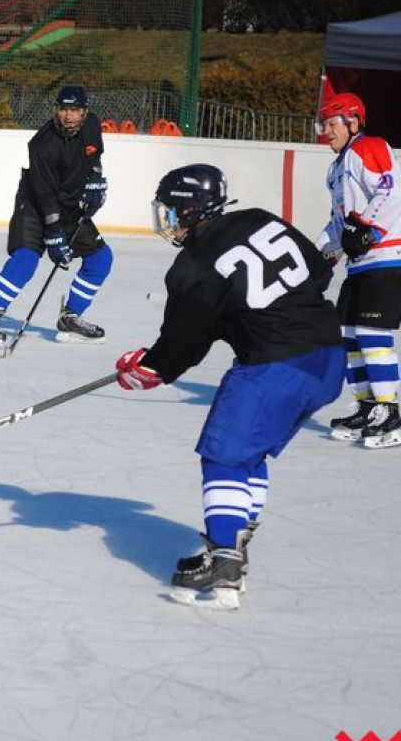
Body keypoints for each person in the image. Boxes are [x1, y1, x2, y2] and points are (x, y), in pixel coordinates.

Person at [115, 164, 344, 610]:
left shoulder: (194, 265)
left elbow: (181, 345)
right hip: (328, 359)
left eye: (172, 210)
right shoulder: (260, 218)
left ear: (189, 208)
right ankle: (233, 541)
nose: (169, 221)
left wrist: (149, 367)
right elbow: (318, 273)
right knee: (248, 452)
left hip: (276, 365)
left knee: (222, 454)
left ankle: (225, 567)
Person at [0, 84, 112, 346]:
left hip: (70, 205)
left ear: (84, 112)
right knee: (26, 258)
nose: (68, 116)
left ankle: (71, 317)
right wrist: (54, 235)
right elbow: (44, 193)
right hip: (35, 205)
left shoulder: (92, 125)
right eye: (63, 109)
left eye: (74, 110)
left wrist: (95, 179)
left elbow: (95, 155)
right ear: (55, 110)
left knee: (101, 259)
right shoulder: (42, 145)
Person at [314, 92, 401, 449]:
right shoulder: (335, 169)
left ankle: (390, 410)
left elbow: (392, 190)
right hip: (359, 265)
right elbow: (340, 223)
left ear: (352, 121)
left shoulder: (369, 147)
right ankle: (367, 407)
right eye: (324, 125)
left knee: (371, 332)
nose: (326, 132)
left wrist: (367, 228)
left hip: (387, 259)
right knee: (347, 334)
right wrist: (319, 255)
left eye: (331, 124)